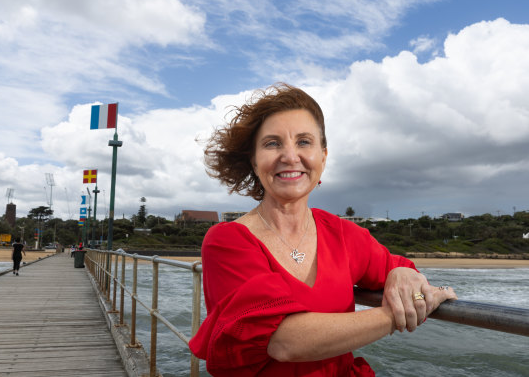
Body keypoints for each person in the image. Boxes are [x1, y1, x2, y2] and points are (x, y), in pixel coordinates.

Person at [188, 84, 457, 376]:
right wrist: (396, 315)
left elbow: (397, 266)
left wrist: (402, 273)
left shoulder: (342, 234)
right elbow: (283, 341)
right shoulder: (226, 241)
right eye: (272, 143)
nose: (290, 156)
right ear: (254, 161)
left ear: (323, 157)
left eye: (304, 142)